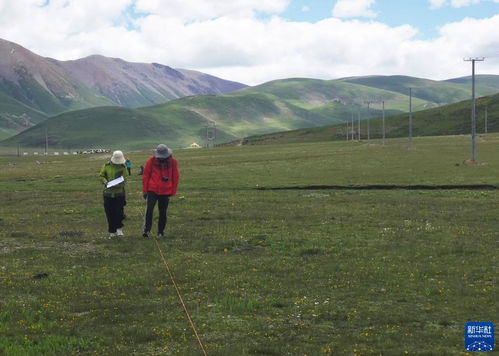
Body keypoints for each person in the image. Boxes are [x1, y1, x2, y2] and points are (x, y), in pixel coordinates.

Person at [142, 144, 179, 238]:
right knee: (149, 210)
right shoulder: (151, 161)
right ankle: (147, 230)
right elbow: (146, 176)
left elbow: (175, 177)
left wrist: (173, 191)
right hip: (152, 190)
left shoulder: (173, 162)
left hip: (166, 191)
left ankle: (161, 232)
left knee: (163, 212)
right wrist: (145, 191)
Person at [99, 150, 128, 237]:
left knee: (119, 212)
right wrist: (105, 181)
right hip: (107, 194)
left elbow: (125, 179)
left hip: (119, 194)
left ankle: (119, 229)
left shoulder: (123, 167)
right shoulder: (106, 166)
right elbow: (101, 175)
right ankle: (112, 231)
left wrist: (118, 185)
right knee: (109, 212)